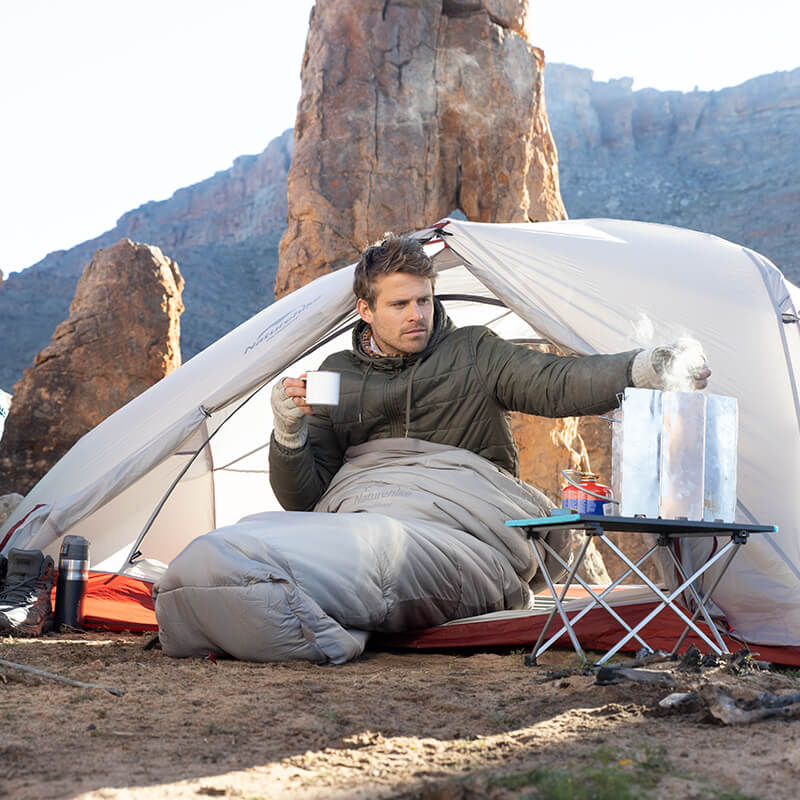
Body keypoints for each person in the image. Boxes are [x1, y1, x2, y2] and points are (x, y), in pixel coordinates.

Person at [269, 233, 710, 510]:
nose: (416, 315)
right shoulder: (336, 374)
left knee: (386, 561)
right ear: (365, 310)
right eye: (400, 305)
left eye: (424, 300)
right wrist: (288, 434)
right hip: (365, 508)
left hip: (466, 509)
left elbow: (556, 385)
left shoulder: (473, 350)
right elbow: (305, 500)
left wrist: (644, 368)